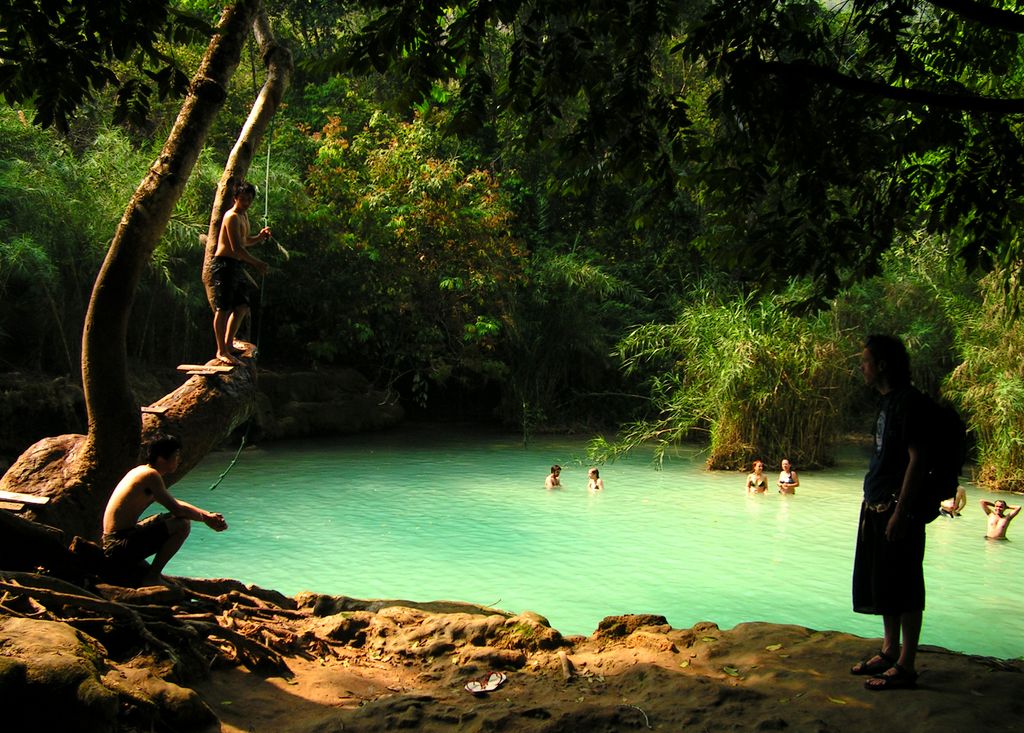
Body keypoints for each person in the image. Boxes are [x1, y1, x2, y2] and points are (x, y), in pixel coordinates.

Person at [850, 335, 929, 691]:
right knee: (884, 580)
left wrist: (901, 511)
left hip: (899, 509)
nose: (862, 367)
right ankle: (889, 649)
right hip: (878, 504)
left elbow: (918, 459)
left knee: (906, 583)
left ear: (882, 365)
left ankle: (907, 665)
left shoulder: (909, 404)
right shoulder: (887, 403)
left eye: (865, 361)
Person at [102, 434, 228, 586]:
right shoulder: (150, 476)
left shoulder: (142, 471)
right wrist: (206, 519)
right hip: (117, 546)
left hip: (115, 540)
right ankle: (152, 577)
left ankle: (151, 573)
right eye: (175, 456)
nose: (178, 460)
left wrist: (207, 514)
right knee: (182, 524)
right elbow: (179, 511)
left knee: (168, 519)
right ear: (162, 459)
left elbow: (175, 503)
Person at [211, 180, 271, 365]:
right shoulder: (232, 216)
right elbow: (236, 248)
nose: (246, 203)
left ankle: (229, 343)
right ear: (236, 198)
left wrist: (259, 237)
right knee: (223, 308)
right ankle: (221, 351)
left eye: (249, 200)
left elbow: (244, 242)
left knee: (242, 306)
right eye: (243, 199)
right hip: (224, 265)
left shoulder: (244, 216)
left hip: (235, 265)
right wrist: (257, 263)